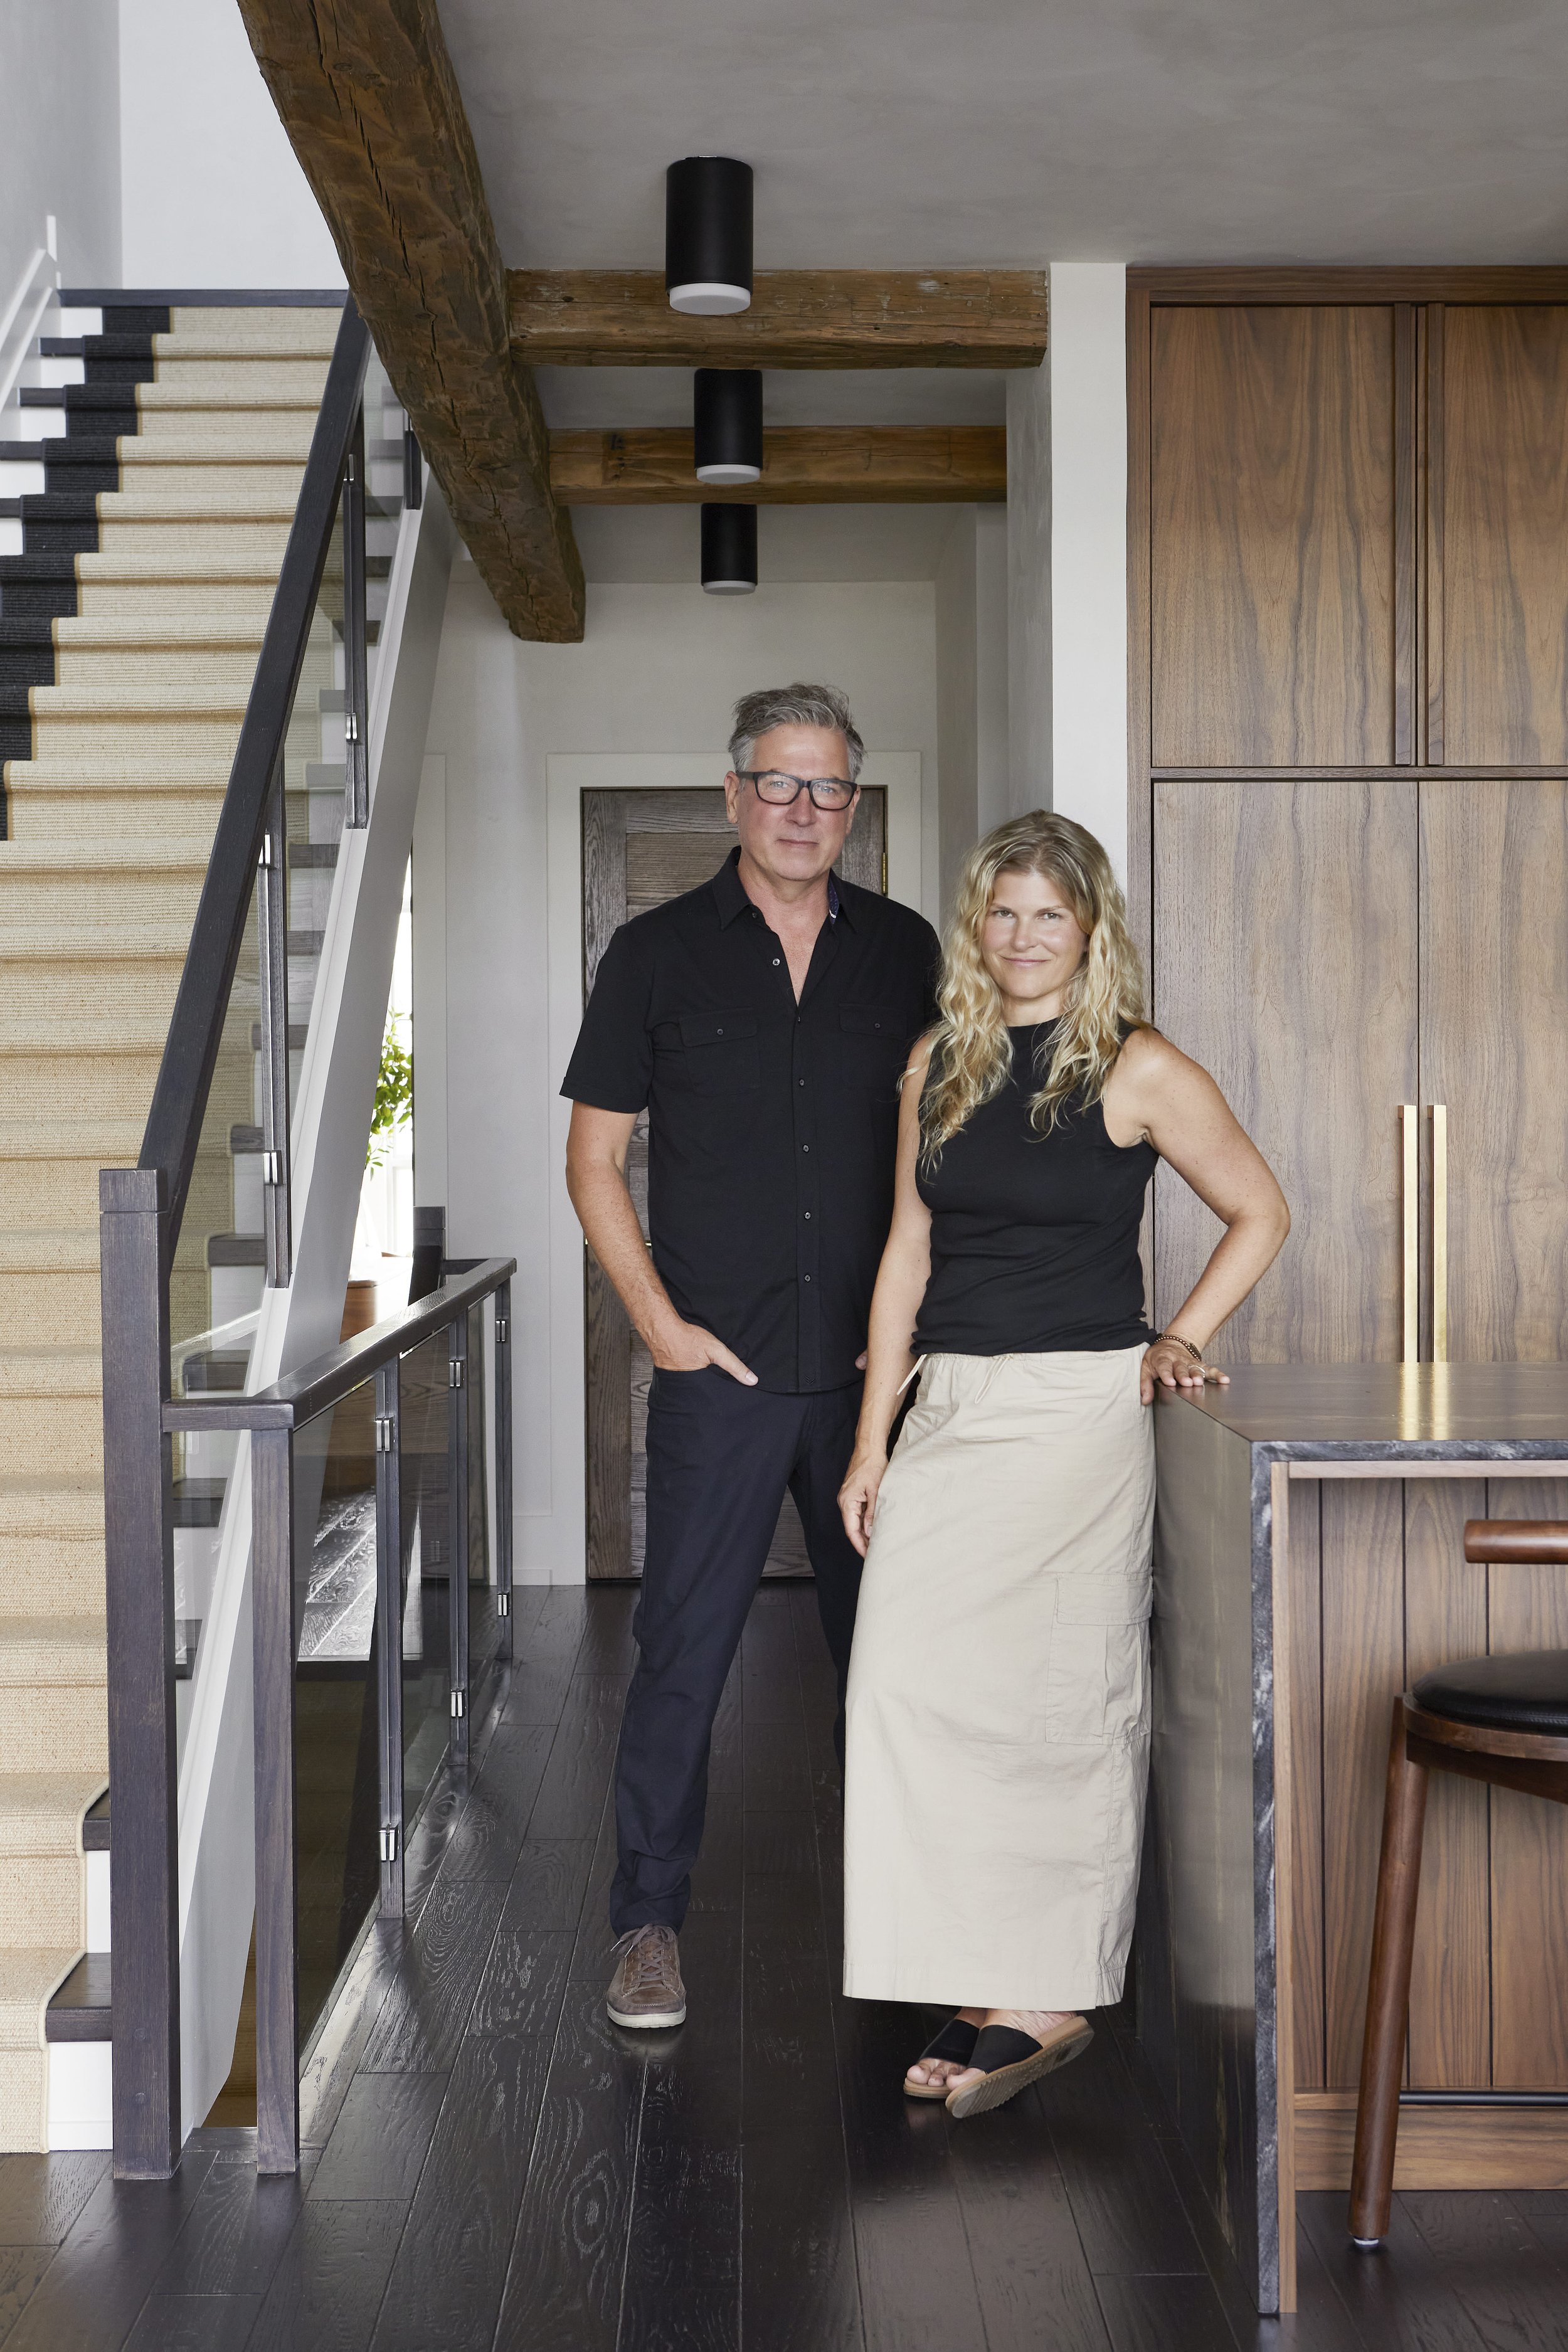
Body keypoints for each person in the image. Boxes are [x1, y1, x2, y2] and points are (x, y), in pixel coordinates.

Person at [837, 810, 1289, 2117]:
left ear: (1089, 926)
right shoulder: (941, 1059)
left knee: (1052, 1708)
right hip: (949, 1410)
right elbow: (905, 1257)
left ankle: (1039, 1995)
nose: (1024, 937)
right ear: (977, 928)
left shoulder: (1136, 1067)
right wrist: (872, 1441)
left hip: (1075, 1416)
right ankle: (976, 1965)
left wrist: (1180, 1335)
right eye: (1002, 912)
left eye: (1049, 914)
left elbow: (1259, 1208)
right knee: (908, 1696)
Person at [563, 682, 940, 2032]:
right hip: (715, 1377)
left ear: (852, 804)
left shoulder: (907, 952)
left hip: (868, 1377)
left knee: (890, 1653)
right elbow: (593, 1161)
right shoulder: (653, 954)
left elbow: (957, 1146)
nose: (801, 811)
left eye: (827, 788)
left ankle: (911, 1908)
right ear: (732, 795)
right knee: (680, 1651)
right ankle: (648, 1925)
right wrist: (660, 1326)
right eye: (777, 784)